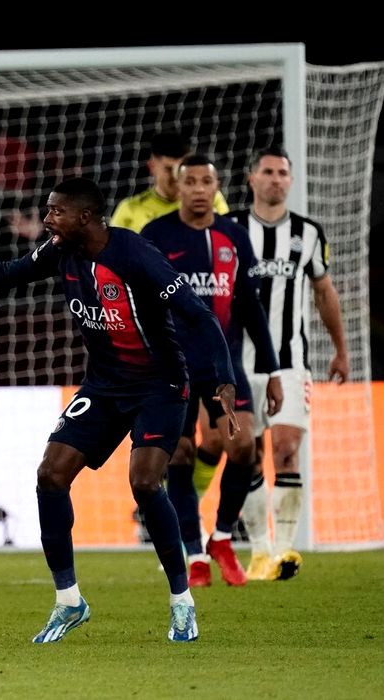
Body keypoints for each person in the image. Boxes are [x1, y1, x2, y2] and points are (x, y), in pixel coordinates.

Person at [0, 176, 238, 643]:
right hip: (104, 385)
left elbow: (199, 314)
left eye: (56, 211)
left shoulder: (134, 255)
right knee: (50, 474)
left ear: (85, 217)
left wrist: (223, 379)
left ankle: (182, 603)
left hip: (159, 384)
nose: (48, 219)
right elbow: (7, 272)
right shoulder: (60, 251)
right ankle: (69, 601)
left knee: (145, 482)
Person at [142, 154, 283, 588]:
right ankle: (196, 555)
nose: (200, 189)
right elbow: (140, 302)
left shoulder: (234, 236)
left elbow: (251, 306)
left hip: (223, 365)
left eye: (207, 181)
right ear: (178, 187)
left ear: (217, 187)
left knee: (243, 448)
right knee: (180, 455)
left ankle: (222, 538)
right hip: (172, 367)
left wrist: (272, 370)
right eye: (191, 182)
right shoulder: (156, 235)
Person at [231, 146, 349, 580]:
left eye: (283, 173)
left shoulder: (309, 234)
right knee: (247, 453)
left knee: (286, 448)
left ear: (291, 180)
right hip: (238, 361)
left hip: (291, 361)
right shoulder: (230, 229)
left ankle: (283, 551)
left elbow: (324, 292)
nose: (276, 179)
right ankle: (259, 550)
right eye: (267, 172)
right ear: (252, 178)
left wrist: (341, 349)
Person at [113, 131, 232, 496]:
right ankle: (170, 510)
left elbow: (227, 257)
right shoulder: (132, 211)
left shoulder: (213, 203)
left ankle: (186, 504)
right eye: (170, 169)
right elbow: (112, 270)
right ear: (153, 166)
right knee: (171, 441)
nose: (179, 177)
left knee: (218, 438)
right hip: (158, 338)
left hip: (206, 335)